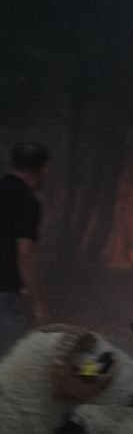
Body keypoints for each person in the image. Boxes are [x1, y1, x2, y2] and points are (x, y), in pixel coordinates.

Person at [0, 142, 51, 356]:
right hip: (5, 294)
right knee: (11, 362)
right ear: (40, 170)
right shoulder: (26, 201)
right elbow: (26, 254)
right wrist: (38, 303)